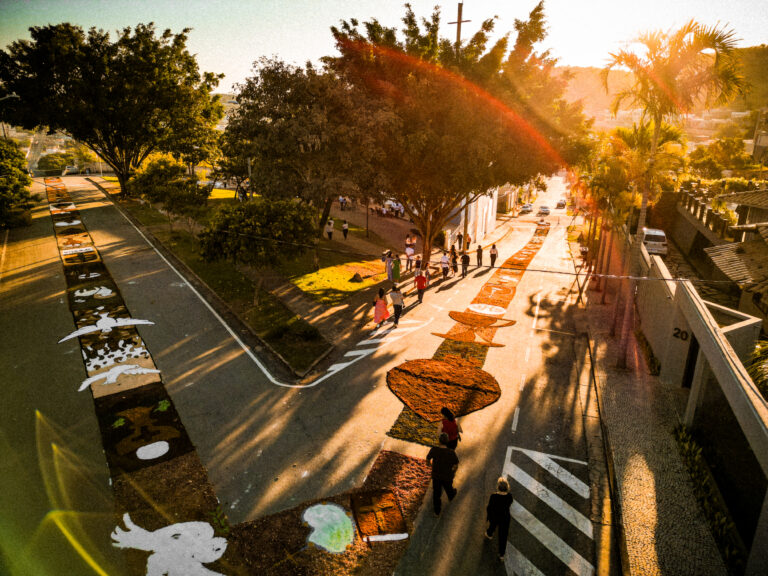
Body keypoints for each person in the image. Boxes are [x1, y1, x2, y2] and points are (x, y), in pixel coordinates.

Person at [426, 434, 459, 516]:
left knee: (436, 493)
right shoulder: (451, 452)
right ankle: (451, 496)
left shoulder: (434, 450)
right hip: (447, 475)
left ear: (439, 441)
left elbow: (427, 459)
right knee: (449, 488)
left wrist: (431, 467)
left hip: (436, 475)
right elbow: (456, 464)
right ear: (447, 442)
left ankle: (437, 512)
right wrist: (453, 471)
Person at [485, 477, 514, 561]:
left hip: (495, 516)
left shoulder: (494, 496)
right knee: (503, 536)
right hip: (505, 518)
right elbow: (510, 503)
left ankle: (489, 534)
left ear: (498, 487)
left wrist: (489, 516)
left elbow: (489, 507)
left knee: (492, 525)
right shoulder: (509, 496)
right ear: (507, 488)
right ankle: (501, 554)